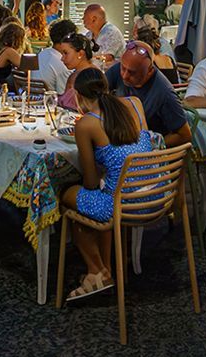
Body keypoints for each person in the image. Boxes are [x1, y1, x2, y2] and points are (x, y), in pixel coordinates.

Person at [59, 68, 156, 303]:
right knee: (96, 198)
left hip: (121, 205)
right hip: (156, 197)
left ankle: (97, 271)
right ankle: (104, 270)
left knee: (67, 195)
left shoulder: (86, 125)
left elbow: (90, 183)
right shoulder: (134, 103)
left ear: (79, 97)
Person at [105, 42, 192, 148]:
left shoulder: (164, 94)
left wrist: (148, 146)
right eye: (123, 68)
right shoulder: (124, 67)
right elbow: (97, 91)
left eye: (132, 73)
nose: (125, 76)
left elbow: (184, 135)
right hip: (123, 136)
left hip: (145, 151)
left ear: (150, 71)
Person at [35, 20, 81, 94]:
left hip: (35, 99)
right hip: (50, 102)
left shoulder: (42, 54)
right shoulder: (64, 64)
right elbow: (65, 95)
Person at [52, 34, 96, 107]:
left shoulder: (91, 77)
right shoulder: (75, 74)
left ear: (80, 54)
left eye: (66, 53)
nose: (62, 58)